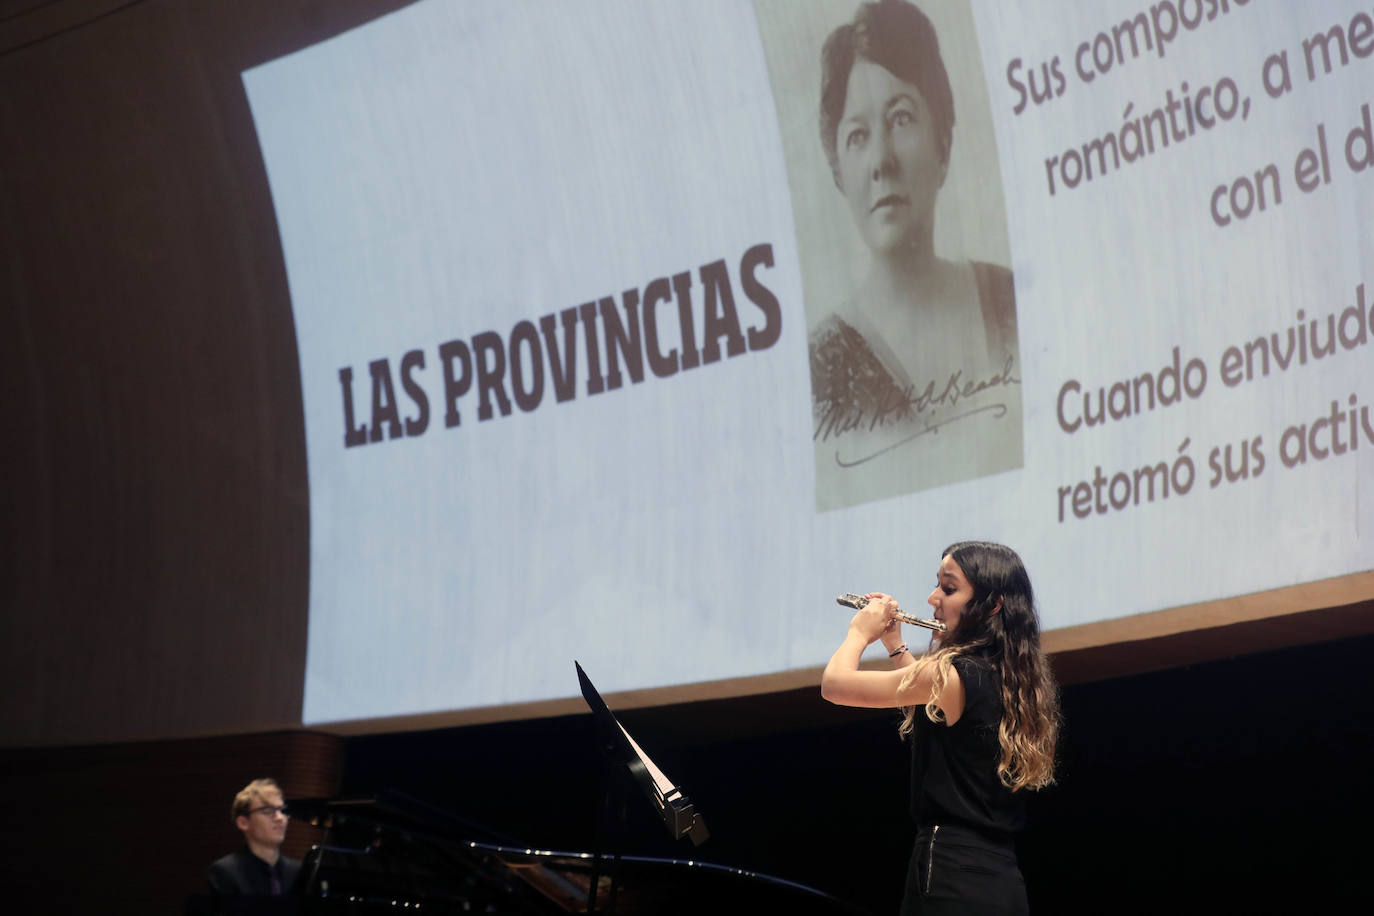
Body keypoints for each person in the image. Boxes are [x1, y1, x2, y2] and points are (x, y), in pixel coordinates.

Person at [809, 0, 1020, 489]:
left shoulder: (1009, 302)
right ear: (839, 172)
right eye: (858, 136)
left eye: (901, 119)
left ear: (943, 147)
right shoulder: (821, 369)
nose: (881, 160)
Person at [821, 542, 1059, 914]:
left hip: (950, 873)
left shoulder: (951, 673)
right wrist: (896, 645)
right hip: (1002, 881)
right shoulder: (1008, 678)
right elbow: (930, 706)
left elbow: (834, 685)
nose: (933, 599)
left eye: (948, 589)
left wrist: (859, 632)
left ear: (992, 604)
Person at [206, 778, 300, 897]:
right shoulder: (225, 872)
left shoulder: (299, 872)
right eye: (268, 811)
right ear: (243, 822)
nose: (280, 818)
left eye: (282, 810)